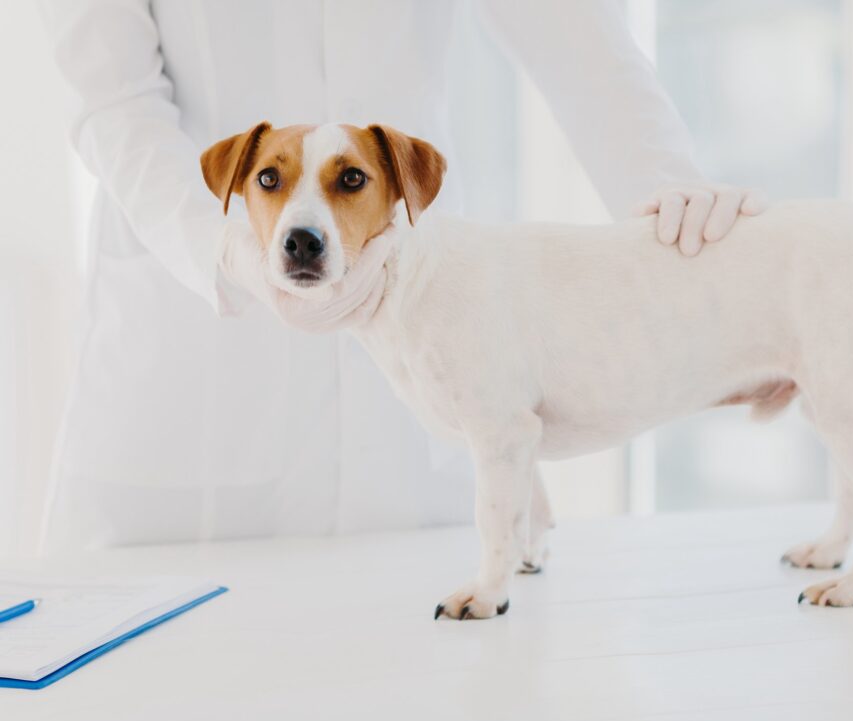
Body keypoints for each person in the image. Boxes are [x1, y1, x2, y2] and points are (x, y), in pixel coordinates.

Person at [37, 0, 763, 550]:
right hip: (190, 384)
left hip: (427, 340)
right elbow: (114, 98)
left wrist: (671, 199)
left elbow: (579, 43)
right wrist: (226, 249)